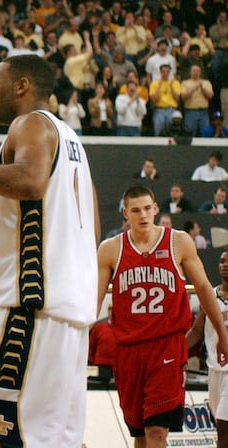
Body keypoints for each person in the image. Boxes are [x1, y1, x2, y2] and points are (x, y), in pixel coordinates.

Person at [0, 54, 99, 447]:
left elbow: (30, 181)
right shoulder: (72, 139)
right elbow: (91, 224)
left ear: (22, 86)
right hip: (70, 318)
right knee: (51, 440)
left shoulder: (30, 124)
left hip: (27, 309)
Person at [97, 185, 228, 448]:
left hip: (166, 347)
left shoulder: (178, 241)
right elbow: (93, 301)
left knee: (156, 430)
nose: (143, 215)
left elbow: (203, 288)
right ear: (126, 214)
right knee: (140, 434)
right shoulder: (110, 249)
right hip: (128, 351)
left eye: (147, 208)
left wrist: (222, 335)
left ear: (156, 209)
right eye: (136, 210)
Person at [187, 251, 228, 448]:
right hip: (214, 369)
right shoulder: (209, 295)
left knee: (223, 426)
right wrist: (177, 353)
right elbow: (196, 331)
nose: (225, 265)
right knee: (219, 425)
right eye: (222, 261)